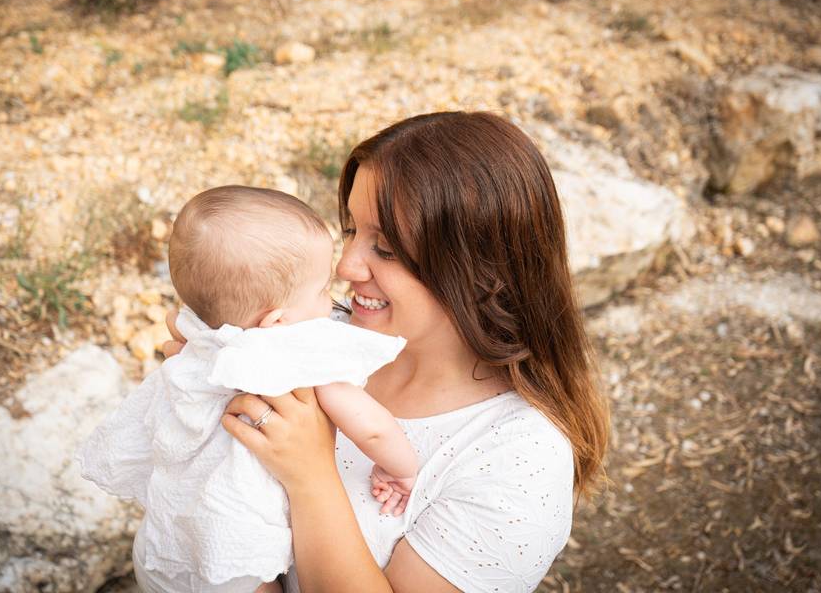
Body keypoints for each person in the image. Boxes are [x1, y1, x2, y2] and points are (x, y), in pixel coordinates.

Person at [165, 111, 610, 592]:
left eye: (388, 249)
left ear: (484, 272)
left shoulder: (520, 459)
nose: (347, 265)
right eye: (352, 229)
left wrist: (310, 474)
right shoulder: (321, 339)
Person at [77, 185, 419, 593]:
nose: (334, 299)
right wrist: (400, 469)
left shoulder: (199, 331)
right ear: (275, 322)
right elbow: (373, 427)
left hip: (164, 538)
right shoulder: (291, 355)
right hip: (232, 552)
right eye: (322, 290)